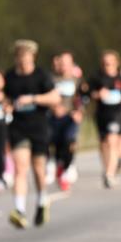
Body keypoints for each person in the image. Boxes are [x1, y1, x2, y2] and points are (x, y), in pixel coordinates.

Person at [3, 39, 59, 228]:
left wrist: (33, 98)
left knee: (38, 169)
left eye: (26, 57)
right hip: (18, 127)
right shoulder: (10, 76)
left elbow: (55, 97)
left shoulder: (42, 75)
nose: (23, 60)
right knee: (20, 168)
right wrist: (7, 106)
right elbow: (6, 98)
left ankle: (43, 200)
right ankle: (19, 210)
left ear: (32, 57)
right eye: (19, 56)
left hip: (39, 126)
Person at [87, 50, 121, 189]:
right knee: (104, 143)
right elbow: (88, 93)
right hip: (101, 113)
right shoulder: (97, 77)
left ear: (116, 62)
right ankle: (108, 169)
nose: (107, 65)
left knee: (112, 140)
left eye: (110, 62)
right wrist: (97, 94)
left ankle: (110, 174)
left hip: (116, 114)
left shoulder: (120, 77)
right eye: (105, 62)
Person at [48, 51, 83, 192]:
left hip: (70, 118)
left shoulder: (77, 81)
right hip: (54, 118)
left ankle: (67, 168)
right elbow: (45, 96)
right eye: (61, 63)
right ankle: (59, 168)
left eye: (66, 63)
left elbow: (82, 99)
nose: (64, 66)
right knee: (56, 146)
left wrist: (79, 111)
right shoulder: (51, 80)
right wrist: (54, 107)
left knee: (70, 142)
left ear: (71, 64)